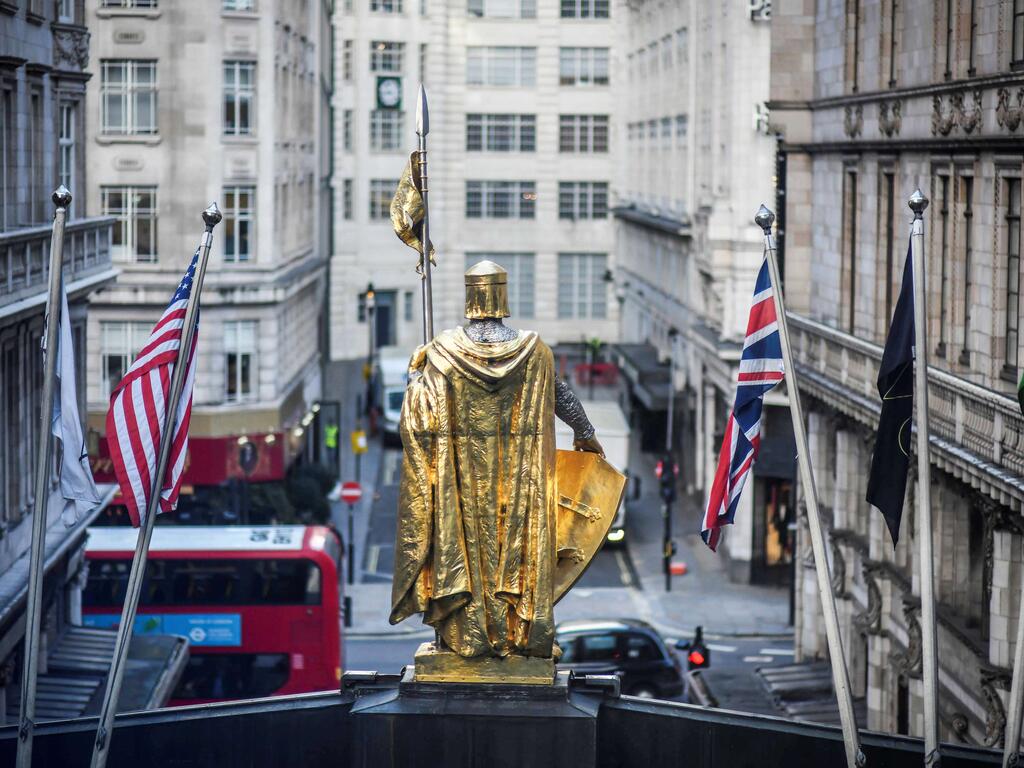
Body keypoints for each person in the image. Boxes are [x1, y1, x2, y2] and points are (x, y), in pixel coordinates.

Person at [390, 260, 602, 660]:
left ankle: (468, 632)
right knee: (517, 549)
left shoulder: (443, 352)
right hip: (520, 476)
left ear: (471, 297)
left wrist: (416, 378)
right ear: (503, 296)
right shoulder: (533, 351)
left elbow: (421, 418)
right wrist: (586, 434)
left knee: (466, 552)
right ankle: (518, 631)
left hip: (462, 478)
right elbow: (563, 398)